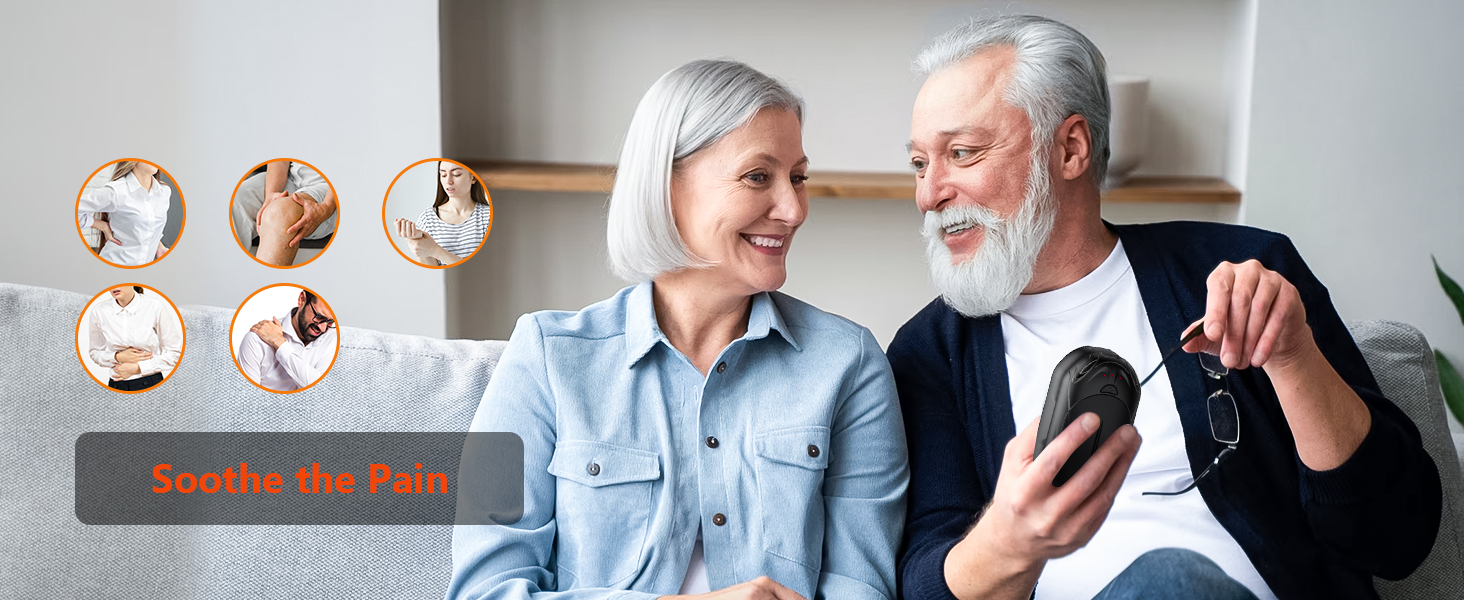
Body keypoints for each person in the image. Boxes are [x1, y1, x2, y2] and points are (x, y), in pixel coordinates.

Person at [891, 16, 1441, 600]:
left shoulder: (1245, 272)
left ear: (1070, 148)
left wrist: (1293, 355)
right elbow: (922, 580)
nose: (929, 195)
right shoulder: (930, 354)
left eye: (962, 153)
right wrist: (1009, 541)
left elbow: (1398, 538)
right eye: (920, 164)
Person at [447, 60, 908, 600]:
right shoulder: (546, 358)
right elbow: (485, 591)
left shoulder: (848, 363)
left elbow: (862, 588)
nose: (793, 209)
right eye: (758, 176)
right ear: (665, 186)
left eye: (798, 178)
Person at [231, 160, 338, 266]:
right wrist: (271, 193)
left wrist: (327, 206)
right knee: (234, 202)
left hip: (331, 186)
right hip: (292, 176)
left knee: (281, 213)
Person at [393, 161, 492, 266]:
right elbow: (430, 270)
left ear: (473, 177)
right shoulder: (428, 218)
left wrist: (435, 250)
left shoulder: (488, 216)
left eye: (456, 174)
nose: (448, 181)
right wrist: (418, 240)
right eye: (443, 175)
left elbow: (484, 269)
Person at [236, 289, 337, 392]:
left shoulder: (333, 339)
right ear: (302, 299)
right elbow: (248, 396)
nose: (323, 328)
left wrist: (279, 342)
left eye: (330, 321)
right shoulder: (256, 340)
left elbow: (321, 390)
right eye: (319, 317)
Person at [86, 285, 183, 392]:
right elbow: (95, 352)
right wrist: (118, 357)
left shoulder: (154, 306)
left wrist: (138, 368)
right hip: (115, 384)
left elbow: (175, 353)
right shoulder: (99, 311)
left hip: (150, 383)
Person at [78, 161, 172, 266]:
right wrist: (101, 226)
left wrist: (159, 246)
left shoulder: (164, 192)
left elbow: (146, 225)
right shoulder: (116, 191)